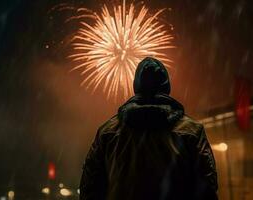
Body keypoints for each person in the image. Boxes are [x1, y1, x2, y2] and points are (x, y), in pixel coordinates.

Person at [80, 57, 218, 200]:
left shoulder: (107, 132)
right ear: (166, 87)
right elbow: (207, 188)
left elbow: (89, 188)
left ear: (136, 87)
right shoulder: (192, 131)